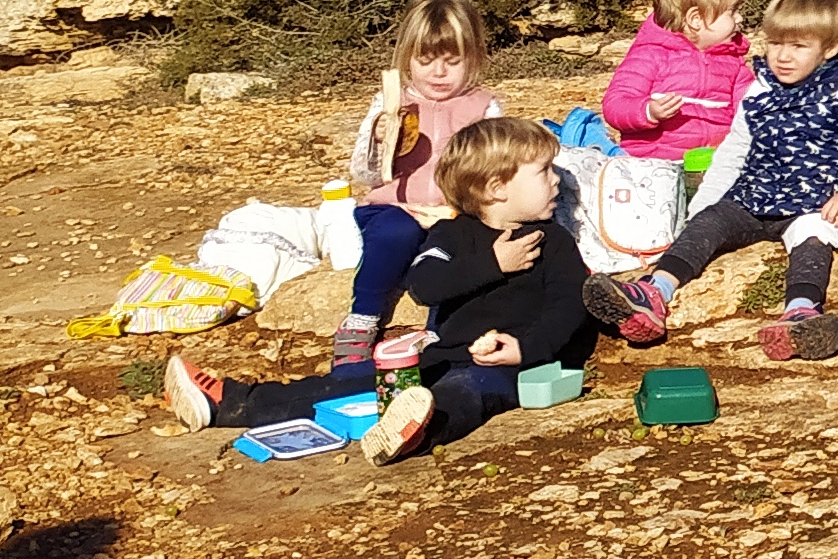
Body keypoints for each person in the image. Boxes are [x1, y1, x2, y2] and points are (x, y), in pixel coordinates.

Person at [162, 118, 598, 465]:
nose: (557, 182)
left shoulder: (554, 242)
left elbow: (569, 306)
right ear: (496, 188)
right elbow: (424, 285)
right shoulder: (450, 235)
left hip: (512, 367)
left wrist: (524, 349)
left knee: (467, 393)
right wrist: (492, 264)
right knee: (351, 383)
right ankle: (230, 402)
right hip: (444, 353)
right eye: (544, 172)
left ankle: (416, 432)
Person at [613, 0, 838, 360]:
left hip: (813, 202)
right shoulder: (760, 90)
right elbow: (733, 152)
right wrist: (703, 206)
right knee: (709, 222)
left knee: (813, 238)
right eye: (775, 43)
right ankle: (655, 291)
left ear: (828, 49)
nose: (782, 56)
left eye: (798, 47)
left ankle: (800, 312)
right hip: (755, 197)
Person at [332, 0, 503, 375]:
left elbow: (496, 170)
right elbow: (363, 174)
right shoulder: (391, 104)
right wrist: (379, 145)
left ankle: (437, 332)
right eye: (425, 60)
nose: (438, 73)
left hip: (455, 210)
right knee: (397, 233)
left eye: (452, 61)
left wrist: (461, 209)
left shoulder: (484, 108)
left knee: (456, 248)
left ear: (473, 58)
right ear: (406, 58)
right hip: (394, 206)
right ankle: (363, 318)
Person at [598, 0, 751, 165]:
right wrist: (648, 111)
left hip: (712, 163)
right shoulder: (651, 56)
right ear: (696, 19)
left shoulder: (734, 63)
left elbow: (749, 107)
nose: (739, 18)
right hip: (654, 164)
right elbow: (615, 104)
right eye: (732, 12)